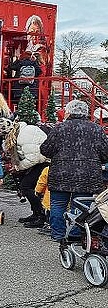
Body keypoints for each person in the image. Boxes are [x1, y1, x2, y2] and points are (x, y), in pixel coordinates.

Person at [39, 99, 108, 242]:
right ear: (86, 113)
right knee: (82, 205)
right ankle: (74, 234)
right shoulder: (96, 129)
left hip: (61, 174)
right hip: (88, 174)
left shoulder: (59, 128)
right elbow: (105, 153)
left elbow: (45, 150)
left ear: (68, 112)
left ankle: (58, 235)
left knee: (58, 205)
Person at [2, 120, 49, 227]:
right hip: (41, 161)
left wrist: (18, 167)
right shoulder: (20, 132)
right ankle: (36, 213)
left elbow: (34, 158)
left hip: (43, 162)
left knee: (26, 186)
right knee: (28, 186)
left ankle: (41, 216)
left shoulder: (24, 135)